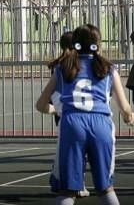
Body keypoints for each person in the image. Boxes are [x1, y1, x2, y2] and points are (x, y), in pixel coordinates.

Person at [36, 25, 134, 205]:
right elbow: (125, 108)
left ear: (74, 45)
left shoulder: (63, 68)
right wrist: (130, 116)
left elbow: (41, 105)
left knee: (67, 190)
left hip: (72, 123)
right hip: (101, 124)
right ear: (97, 45)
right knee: (106, 188)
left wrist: (55, 109)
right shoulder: (108, 69)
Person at [46, 31, 90, 199]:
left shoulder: (58, 64)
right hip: (77, 110)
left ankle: (59, 180)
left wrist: (52, 107)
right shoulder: (79, 64)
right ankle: (78, 184)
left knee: (65, 149)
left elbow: (52, 91)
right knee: (81, 151)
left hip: (61, 111)